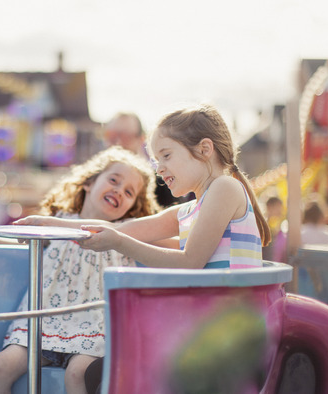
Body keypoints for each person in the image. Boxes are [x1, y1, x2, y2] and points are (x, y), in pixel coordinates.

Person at [16, 104, 271, 393]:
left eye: (165, 156)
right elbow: (122, 228)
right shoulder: (189, 210)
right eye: (155, 159)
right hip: (207, 327)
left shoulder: (225, 188)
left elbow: (190, 261)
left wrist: (120, 244)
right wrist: (46, 224)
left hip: (230, 330)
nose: (159, 168)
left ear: (204, 149)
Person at [0, 146, 160, 394]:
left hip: (92, 328)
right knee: (2, 366)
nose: (118, 191)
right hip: (44, 323)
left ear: (132, 208)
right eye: (113, 180)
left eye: (129, 192)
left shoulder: (124, 233)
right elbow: (34, 243)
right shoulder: (60, 220)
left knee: (78, 374)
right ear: (89, 183)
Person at [101, 112, 185, 207]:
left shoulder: (161, 184)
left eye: (126, 137)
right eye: (112, 136)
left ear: (141, 139)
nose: (118, 142)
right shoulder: (93, 176)